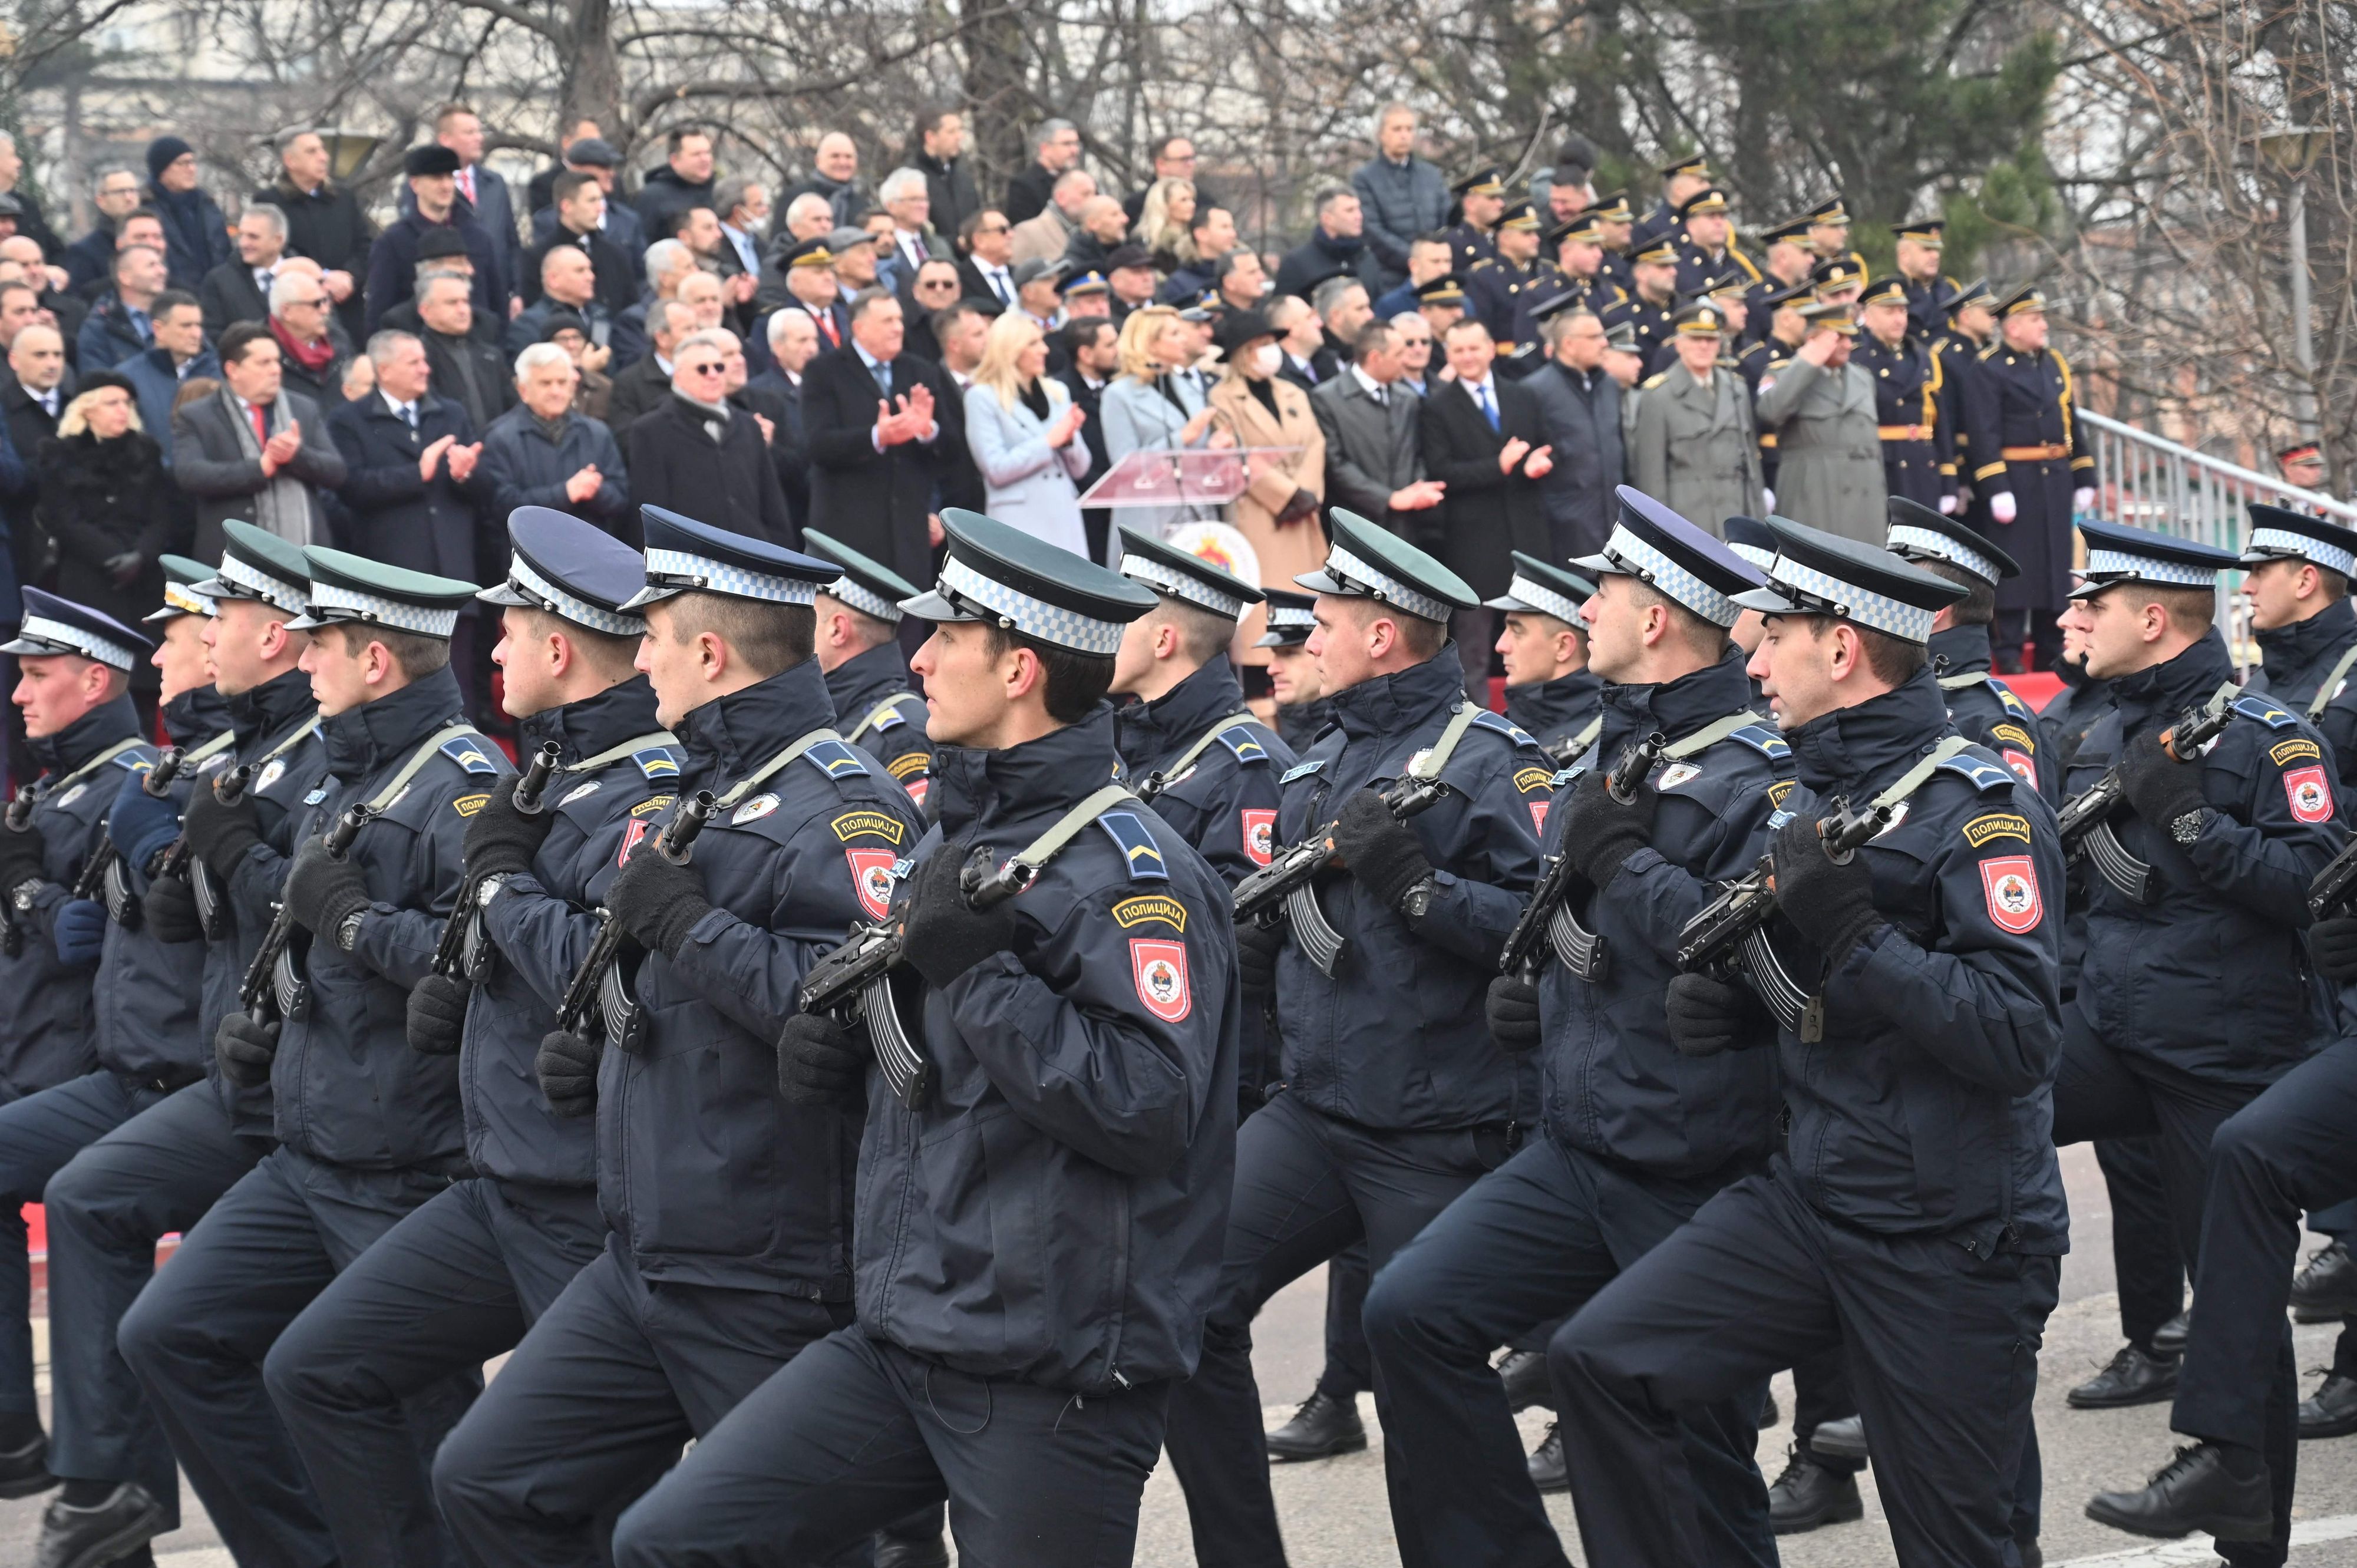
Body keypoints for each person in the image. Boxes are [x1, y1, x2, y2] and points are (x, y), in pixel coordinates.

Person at [597, 503, 1227, 1568]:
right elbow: (935, 1056)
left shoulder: (1128, 871)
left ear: (1020, 668)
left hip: (1048, 1368)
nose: (918, 657)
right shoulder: (960, 834)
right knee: (671, 1540)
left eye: (946, 637)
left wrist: (979, 974)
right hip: (909, 1328)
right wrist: (842, 1048)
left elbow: (1148, 1105)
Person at [1549, 513, 2066, 1567]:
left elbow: (2016, 1036)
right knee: (1604, 1361)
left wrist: (1857, 934)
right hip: (1815, 1198)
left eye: (1773, 634)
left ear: (1840, 648)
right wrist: (1745, 1007)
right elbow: (1814, 990)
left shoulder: (1981, 810)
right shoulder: (1813, 791)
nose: (1749, 657)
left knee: (1956, 1544)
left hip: (1948, 1232)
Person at [420, 505, 910, 1547]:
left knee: (785, 1546)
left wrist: (689, 927)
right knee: (488, 1478)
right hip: (644, 1246)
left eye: (651, 638)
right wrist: (599, 1042)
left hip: (762, 1266)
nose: (637, 659)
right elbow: (644, 973)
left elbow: (849, 1009)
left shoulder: (844, 806)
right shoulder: (701, 787)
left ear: (710, 653)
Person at [1366, 488, 1787, 1568]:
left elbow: (1741, 952)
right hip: (1580, 1144)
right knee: (1410, 1312)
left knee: (1699, 1455)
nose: (1583, 608)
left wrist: (1624, 862)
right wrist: (1537, 995)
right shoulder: (1601, 748)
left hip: (1696, 1165)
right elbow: (1563, 917)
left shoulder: (1759, 773)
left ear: (1656, 616)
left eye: (1603, 591)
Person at [253, 509, 672, 1568]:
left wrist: (464, 904)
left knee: (593, 1501)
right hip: (501, 1180)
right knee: (318, 1368)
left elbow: (620, 968)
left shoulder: (644, 788)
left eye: (512, 631)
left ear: (559, 649)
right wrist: (448, 969)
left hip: (583, 1196)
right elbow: (475, 936)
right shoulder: (548, 774)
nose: (491, 654)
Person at [1160, 507, 1551, 1564]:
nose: (1305, 639)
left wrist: (1421, 888)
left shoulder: (1490, 761)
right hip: (1319, 1111)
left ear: (1382, 634)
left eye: (1324, 621)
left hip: (1438, 1129)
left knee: (1424, 1383)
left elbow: (1546, 931)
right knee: (1182, 1296)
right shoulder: (1319, 753)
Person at [113, 544, 500, 1567]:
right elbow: (303, 940)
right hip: (310, 1148)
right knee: (171, 1333)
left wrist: (354, 920)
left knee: (427, 1439)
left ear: (376, 659)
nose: (304, 655)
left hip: (406, 1163)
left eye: (321, 641)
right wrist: (265, 1029)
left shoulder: (463, 784)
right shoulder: (347, 769)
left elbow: (477, 964)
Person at [2046, 520, 2343, 1564]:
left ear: (2151, 618)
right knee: (1981, 1097)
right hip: (2112, 1025)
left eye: (2095, 604)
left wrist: (2191, 823)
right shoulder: (2096, 731)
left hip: (2224, 1049)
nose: (2075, 618)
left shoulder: (2268, 737)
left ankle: (2252, 1535)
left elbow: (2315, 888)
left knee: (2233, 1292)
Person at [34, 525, 326, 1564]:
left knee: (347, 1377)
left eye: (192, 630)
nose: (171, 651)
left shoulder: (294, 759)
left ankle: (111, 1483)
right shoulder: (201, 760)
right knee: (113, 1232)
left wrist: (165, 854)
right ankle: (102, 1483)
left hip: (265, 1087)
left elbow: (290, 912)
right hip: (217, 1071)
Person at [0, 590, 157, 1495]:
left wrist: (27, 888)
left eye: (36, 675)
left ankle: (86, 1471)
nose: (20, 695)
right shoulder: (58, 783)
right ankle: (15, 1434)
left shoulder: (131, 780)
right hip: (31, 1055)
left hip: (92, 1068)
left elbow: (90, 939)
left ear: (94, 681)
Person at [1419, 318, 1555, 696]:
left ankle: (1541, 715)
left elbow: (1545, 445)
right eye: (1458, 350)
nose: (1467, 357)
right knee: (1474, 647)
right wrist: (1499, 466)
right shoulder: (1437, 407)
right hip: (1473, 544)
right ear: (1448, 355)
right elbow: (1441, 472)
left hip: (1526, 536)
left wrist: (1536, 464)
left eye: (1474, 348)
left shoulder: (1523, 396)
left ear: (1491, 349)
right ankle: (1474, 719)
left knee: (1536, 637)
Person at [1962, 285, 2093, 674]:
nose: (2044, 326)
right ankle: (2010, 649)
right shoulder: (1989, 368)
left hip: (2055, 478)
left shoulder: (2053, 363)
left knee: (2055, 564)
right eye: (2036, 319)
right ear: (2013, 327)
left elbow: (2071, 423)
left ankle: (2053, 643)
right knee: (2018, 566)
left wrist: (2084, 473)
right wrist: (1996, 487)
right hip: (2016, 479)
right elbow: (1983, 434)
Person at [35, 372, 176, 708]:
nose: (123, 410)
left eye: (127, 403)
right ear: (87, 409)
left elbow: (163, 516)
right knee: (91, 676)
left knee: (143, 683)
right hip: (88, 578)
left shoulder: (146, 451)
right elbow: (64, 519)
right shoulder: (59, 454)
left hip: (142, 580)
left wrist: (140, 556)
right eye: (112, 403)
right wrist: (111, 556)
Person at [803, 291, 947, 601]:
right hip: (849, 534)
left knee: (910, 624)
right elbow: (818, 446)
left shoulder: (920, 371)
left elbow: (951, 451)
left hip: (910, 533)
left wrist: (927, 431)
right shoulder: (824, 371)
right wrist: (877, 437)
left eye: (899, 319)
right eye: (887, 321)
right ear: (859, 328)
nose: (898, 328)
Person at [326, 328, 489, 580]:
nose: (426, 369)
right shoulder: (348, 420)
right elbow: (351, 488)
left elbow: (486, 489)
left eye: (424, 361)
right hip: (389, 570)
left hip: (455, 569)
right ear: (384, 371)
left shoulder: (451, 414)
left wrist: (465, 475)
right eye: (414, 363)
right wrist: (417, 474)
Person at [174, 323, 346, 560]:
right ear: (233, 370)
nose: (276, 370)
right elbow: (190, 474)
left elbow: (337, 472)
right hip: (234, 557)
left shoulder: (303, 408)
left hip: (304, 555)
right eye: (264, 363)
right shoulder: (198, 416)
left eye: (276, 361)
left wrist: (297, 455)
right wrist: (259, 469)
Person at [804, 528, 935, 806]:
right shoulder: (832, 708)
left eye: (807, 619)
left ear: (837, 630)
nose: (796, 632)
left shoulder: (902, 740)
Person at [627, 328, 793, 544]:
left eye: (719, 367)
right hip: (691, 555)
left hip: (752, 553)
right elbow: (649, 512)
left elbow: (772, 504)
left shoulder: (749, 426)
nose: (713, 374)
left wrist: (781, 553)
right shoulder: (651, 430)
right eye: (702, 369)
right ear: (678, 376)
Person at [1207, 307, 1328, 595]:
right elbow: (1236, 455)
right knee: (1271, 594)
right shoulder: (1222, 397)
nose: (1272, 350)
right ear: (1244, 352)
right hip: (1262, 509)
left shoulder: (1292, 392)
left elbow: (1315, 443)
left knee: (1308, 595)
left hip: (1304, 508)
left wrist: (1305, 492)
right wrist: (1287, 495)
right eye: (1263, 344)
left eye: (1272, 343)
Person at [1098, 303, 1230, 552]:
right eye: (1175, 333)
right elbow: (1124, 466)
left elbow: (1194, 451)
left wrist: (1212, 449)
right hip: (1150, 522)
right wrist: (1182, 438)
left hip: (1197, 516)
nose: (1184, 339)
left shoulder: (1188, 386)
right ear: (1150, 342)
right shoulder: (1118, 394)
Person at [959, 309, 1091, 557]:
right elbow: (995, 469)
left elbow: (1081, 469)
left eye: (1042, 341)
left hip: (1065, 515)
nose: (1045, 350)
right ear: (1010, 349)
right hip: (1019, 521)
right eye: (1033, 343)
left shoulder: (1058, 392)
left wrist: (1069, 440)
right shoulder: (981, 397)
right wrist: (1049, 441)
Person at [1628, 301, 1763, 539]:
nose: (1703, 346)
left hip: (1734, 518)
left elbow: (1752, 469)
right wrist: (1662, 537)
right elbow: (1652, 478)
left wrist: (1758, 527)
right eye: (1695, 338)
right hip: (1687, 523)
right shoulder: (1658, 395)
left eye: (1710, 339)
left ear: (1720, 344)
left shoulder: (1737, 390)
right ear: (1678, 344)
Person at [1756, 301, 1884, 542]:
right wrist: (1807, 362)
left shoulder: (1863, 378)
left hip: (1865, 503)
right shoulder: (1783, 374)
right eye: (1838, 338)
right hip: (1812, 499)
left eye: (1849, 337)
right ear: (1813, 339)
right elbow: (1770, 412)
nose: (1848, 345)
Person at [1310, 317, 1442, 543]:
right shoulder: (1327, 399)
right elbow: (1335, 465)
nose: (1405, 360)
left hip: (1407, 525)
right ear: (1375, 358)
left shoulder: (1407, 398)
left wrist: (1416, 490)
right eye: (1398, 354)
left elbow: (1418, 452)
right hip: (1355, 525)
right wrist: (1388, 499)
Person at [480, 341, 628, 534]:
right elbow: (499, 506)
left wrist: (595, 490)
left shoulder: (597, 433)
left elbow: (620, 499)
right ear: (523, 391)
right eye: (546, 383)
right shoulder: (499, 437)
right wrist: (565, 493)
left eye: (562, 382)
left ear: (572, 386)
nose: (556, 391)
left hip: (587, 547)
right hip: (528, 549)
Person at [1518, 302, 1624, 562]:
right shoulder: (1534, 391)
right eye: (1595, 337)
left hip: (1615, 524)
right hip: (1564, 530)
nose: (1604, 343)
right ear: (1569, 344)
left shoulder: (1609, 385)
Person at [367, 146, 503, 336]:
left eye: (450, 177)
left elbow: (497, 302)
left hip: (477, 344)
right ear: (415, 184)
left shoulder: (478, 238)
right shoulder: (393, 242)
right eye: (437, 178)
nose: (446, 186)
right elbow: (379, 311)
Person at [1483, 550, 1601, 761]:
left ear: (1563, 646)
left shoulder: (1601, 741)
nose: (1501, 646)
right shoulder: (1508, 726)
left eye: (1517, 632)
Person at [257, 130, 373, 344]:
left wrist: (350, 277)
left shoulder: (344, 198)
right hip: (301, 310)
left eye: (322, 150)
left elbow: (365, 245)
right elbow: (276, 252)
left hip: (349, 307)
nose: (324, 157)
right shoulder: (270, 202)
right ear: (290, 161)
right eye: (312, 151)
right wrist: (323, 277)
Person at [1850, 276, 1949, 511]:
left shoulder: (1923, 357)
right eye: (1889, 312)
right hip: (1880, 468)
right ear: (1867, 317)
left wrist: (1949, 479)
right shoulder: (1856, 359)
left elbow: (1941, 424)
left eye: (1903, 311)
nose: (1899, 319)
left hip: (1922, 467)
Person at [1352, 105, 1450, 294]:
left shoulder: (1431, 174)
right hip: (1390, 279)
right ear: (1381, 134)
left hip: (1436, 276)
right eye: (1397, 129)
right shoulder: (1365, 178)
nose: (1404, 135)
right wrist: (1417, 260)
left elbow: (1446, 221)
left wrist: (1435, 259)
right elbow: (1372, 230)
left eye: (1409, 129)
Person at [118, 290, 219, 463]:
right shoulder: (127, 378)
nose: (197, 334)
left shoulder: (220, 374)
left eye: (199, 325)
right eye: (186, 326)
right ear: (158, 329)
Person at [414, 273, 517, 433]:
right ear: (425, 311)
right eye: (452, 303)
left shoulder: (490, 356)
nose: (463, 310)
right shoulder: (417, 359)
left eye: (466, 302)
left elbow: (513, 409)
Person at [140, 137, 232, 294]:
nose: (191, 169)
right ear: (162, 170)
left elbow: (225, 255)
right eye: (183, 163)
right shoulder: (147, 214)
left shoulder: (208, 206)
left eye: (192, 162)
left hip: (217, 298)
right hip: (171, 299)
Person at [262, 270, 349, 414]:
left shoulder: (338, 339)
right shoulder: (262, 351)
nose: (325, 310)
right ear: (287, 311)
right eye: (317, 304)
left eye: (326, 301)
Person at [199, 203, 291, 339]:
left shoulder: (305, 276)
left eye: (253, 237)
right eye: (241, 235)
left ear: (278, 240)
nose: (243, 243)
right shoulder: (219, 282)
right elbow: (213, 336)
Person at [77, 243, 168, 371]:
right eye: (151, 265)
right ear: (125, 277)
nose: (162, 272)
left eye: (161, 265)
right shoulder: (98, 328)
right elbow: (96, 377)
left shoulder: (175, 317)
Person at [781, 133, 872, 231]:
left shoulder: (863, 206)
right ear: (818, 160)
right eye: (835, 156)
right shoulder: (794, 197)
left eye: (848, 157)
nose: (843, 162)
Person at [1009, 169, 1097, 267]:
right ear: (1061, 198)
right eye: (1085, 194)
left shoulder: (1091, 234)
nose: (1093, 200)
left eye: (1094, 194)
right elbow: (1016, 274)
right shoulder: (1028, 232)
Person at [1891, 218, 1959, 342]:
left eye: (1937, 250)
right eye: (1926, 249)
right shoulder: (1892, 295)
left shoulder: (1949, 288)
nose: (1935, 256)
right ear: (1904, 256)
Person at [1004, 118, 1082, 225]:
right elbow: (1025, 229)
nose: (1075, 150)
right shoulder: (1023, 186)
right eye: (1066, 144)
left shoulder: (1083, 182)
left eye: (1076, 144)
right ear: (1045, 149)